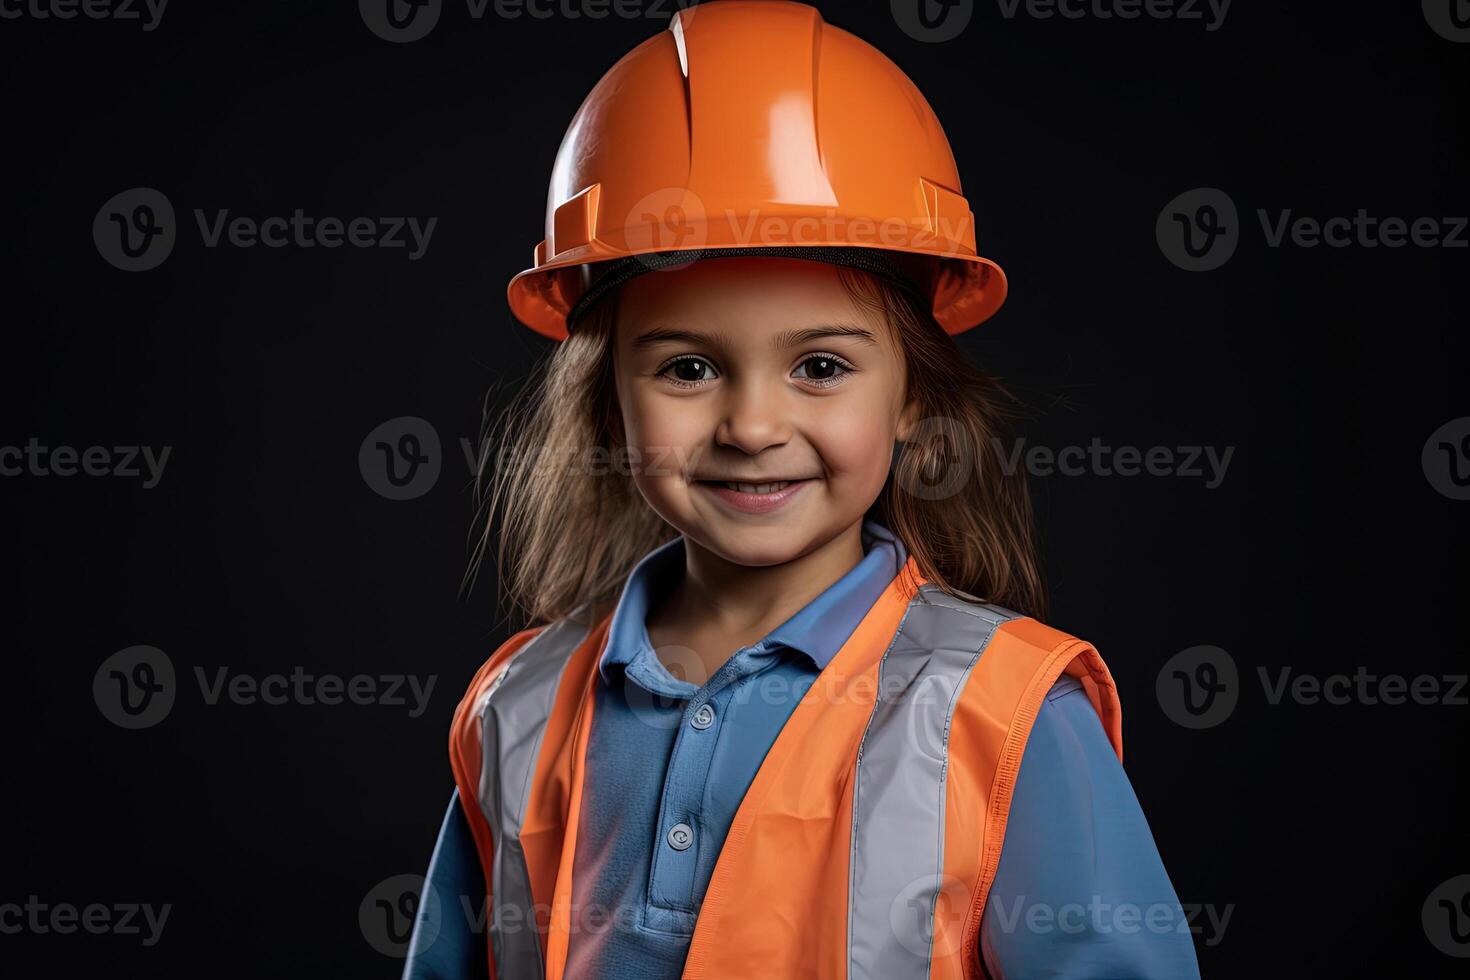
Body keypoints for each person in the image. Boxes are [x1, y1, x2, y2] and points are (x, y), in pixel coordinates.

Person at [404, 3, 1201, 977]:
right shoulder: (518, 710)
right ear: (607, 404)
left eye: (820, 366)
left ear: (913, 398)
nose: (751, 426)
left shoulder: (1001, 715)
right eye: (688, 369)